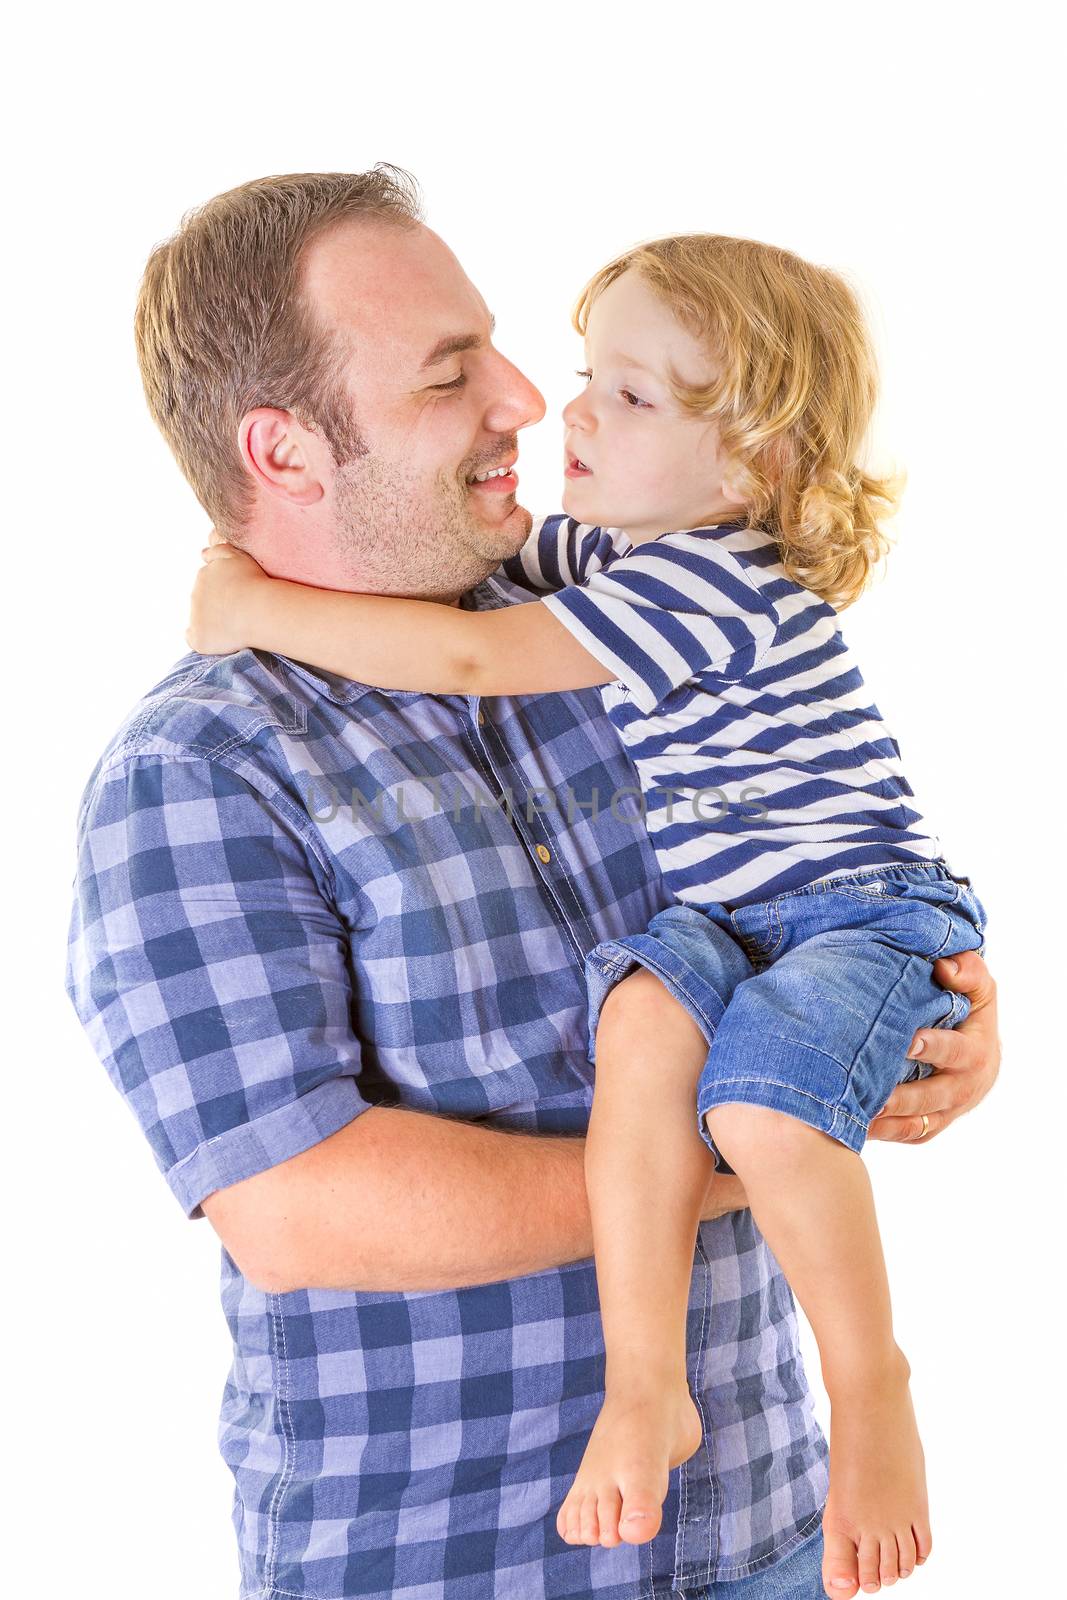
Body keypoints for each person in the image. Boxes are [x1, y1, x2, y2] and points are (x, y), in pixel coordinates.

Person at [65, 170, 1000, 1600]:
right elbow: (301, 1206)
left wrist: (934, 1022)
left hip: (770, 1530)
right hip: (458, 1563)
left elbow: (808, 879)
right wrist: (764, 1153)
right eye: (452, 373)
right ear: (288, 450)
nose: (520, 398)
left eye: (504, 348)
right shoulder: (199, 769)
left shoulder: (605, 626)